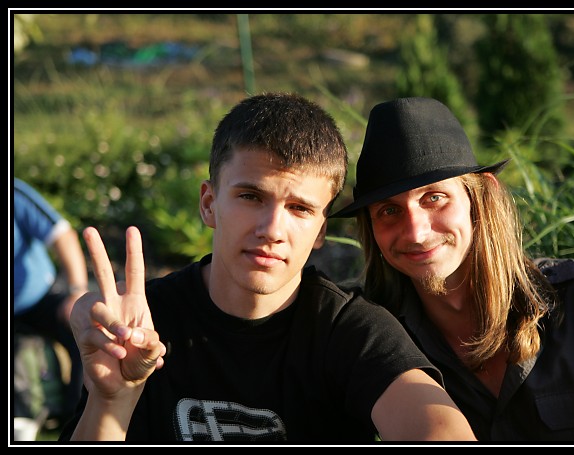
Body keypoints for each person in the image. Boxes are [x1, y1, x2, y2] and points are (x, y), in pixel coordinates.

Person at [58, 93, 476, 442]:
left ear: (321, 231)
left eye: (299, 208)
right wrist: (111, 401)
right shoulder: (143, 328)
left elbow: (436, 427)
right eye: (251, 197)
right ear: (209, 203)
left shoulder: (350, 331)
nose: (272, 229)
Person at [329, 97, 574, 442]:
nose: (416, 233)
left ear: (481, 196)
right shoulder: (372, 335)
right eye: (389, 211)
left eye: (434, 198)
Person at [13, 178, 88, 427]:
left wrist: (77, 291)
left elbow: (62, 234)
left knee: (85, 329)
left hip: (39, 298)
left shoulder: (14, 193)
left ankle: (77, 415)